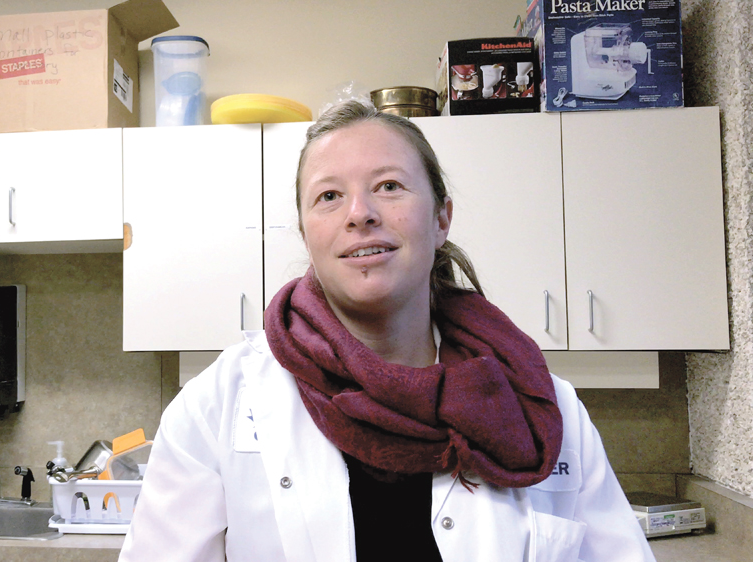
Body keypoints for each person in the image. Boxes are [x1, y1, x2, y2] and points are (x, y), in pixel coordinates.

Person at [118, 101, 655, 562]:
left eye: (389, 186)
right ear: (307, 234)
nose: (360, 213)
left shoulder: (543, 405)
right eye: (328, 196)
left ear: (442, 218)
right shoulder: (216, 405)